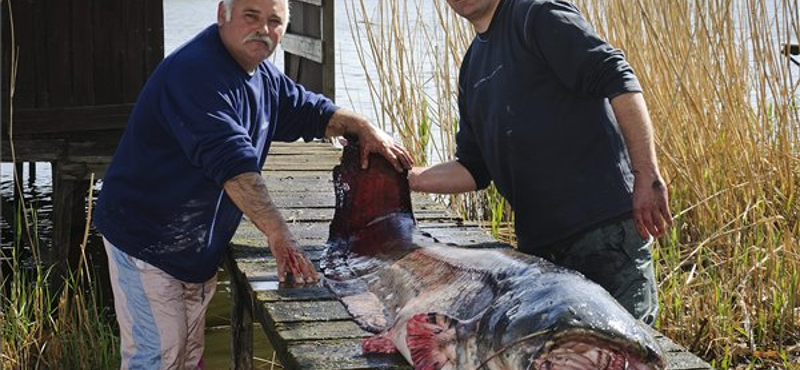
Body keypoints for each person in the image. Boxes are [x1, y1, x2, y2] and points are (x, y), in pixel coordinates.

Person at [93, 0, 412, 368]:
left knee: (188, 356)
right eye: (251, 16)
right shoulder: (197, 74)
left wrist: (362, 126)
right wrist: (278, 233)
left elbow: (309, 110)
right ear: (222, 16)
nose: (263, 28)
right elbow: (234, 166)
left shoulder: (260, 75)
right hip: (145, 238)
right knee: (157, 357)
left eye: (274, 21)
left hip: (193, 246)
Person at [407, 0, 672, 326]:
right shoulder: (472, 67)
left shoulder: (536, 14)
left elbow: (617, 75)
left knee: (624, 353)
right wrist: (409, 177)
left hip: (605, 234)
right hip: (543, 258)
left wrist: (646, 174)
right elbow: (473, 170)